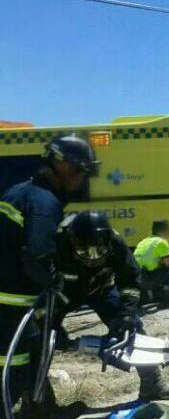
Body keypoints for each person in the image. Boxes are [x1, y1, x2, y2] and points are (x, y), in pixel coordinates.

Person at [0, 135, 98, 418]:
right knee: (14, 373)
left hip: (8, 300)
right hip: (11, 305)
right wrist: (57, 283)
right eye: (82, 171)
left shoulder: (17, 191)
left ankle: (43, 409)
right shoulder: (45, 202)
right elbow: (37, 255)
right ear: (65, 166)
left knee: (33, 359)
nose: (84, 178)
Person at [55, 211, 169, 401]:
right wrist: (53, 322)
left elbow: (130, 279)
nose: (92, 258)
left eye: (98, 252)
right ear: (74, 240)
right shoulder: (58, 243)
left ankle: (152, 384)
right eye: (85, 252)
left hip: (101, 288)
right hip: (63, 293)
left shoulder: (115, 242)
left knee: (134, 329)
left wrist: (128, 312)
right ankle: (38, 400)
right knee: (43, 337)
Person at [134, 221, 169, 302]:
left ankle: (149, 296)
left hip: (136, 277)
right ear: (161, 231)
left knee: (157, 266)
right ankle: (168, 297)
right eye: (168, 230)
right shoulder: (161, 242)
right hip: (146, 277)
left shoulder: (144, 241)